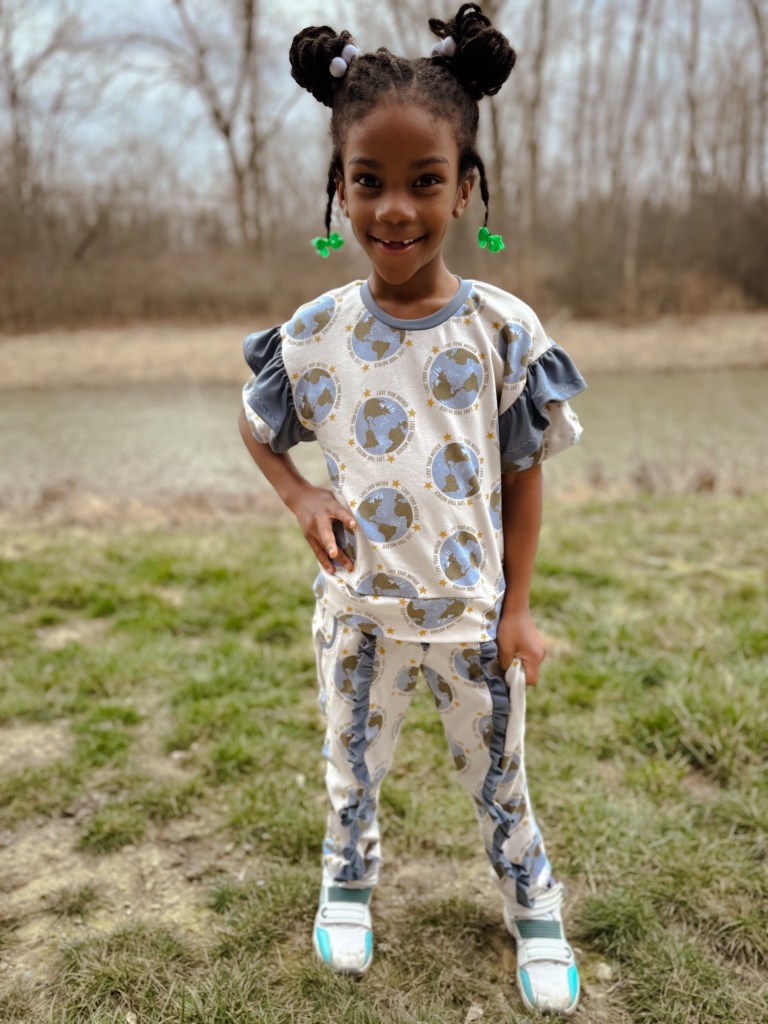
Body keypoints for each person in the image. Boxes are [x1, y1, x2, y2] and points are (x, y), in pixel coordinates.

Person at [238, 4, 586, 1016]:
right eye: (369, 181)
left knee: (501, 780)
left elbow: (525, 473)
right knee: (351, 768)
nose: (395, 209)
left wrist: (518, 608)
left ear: (466, 187)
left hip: (474, 620)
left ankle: (535, 909)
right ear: (337, 188)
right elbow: (257, 426)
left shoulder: (501, 331)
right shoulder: (313, 335)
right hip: (358, 619)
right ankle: (347, 883)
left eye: (425, 181)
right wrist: (301, 491)